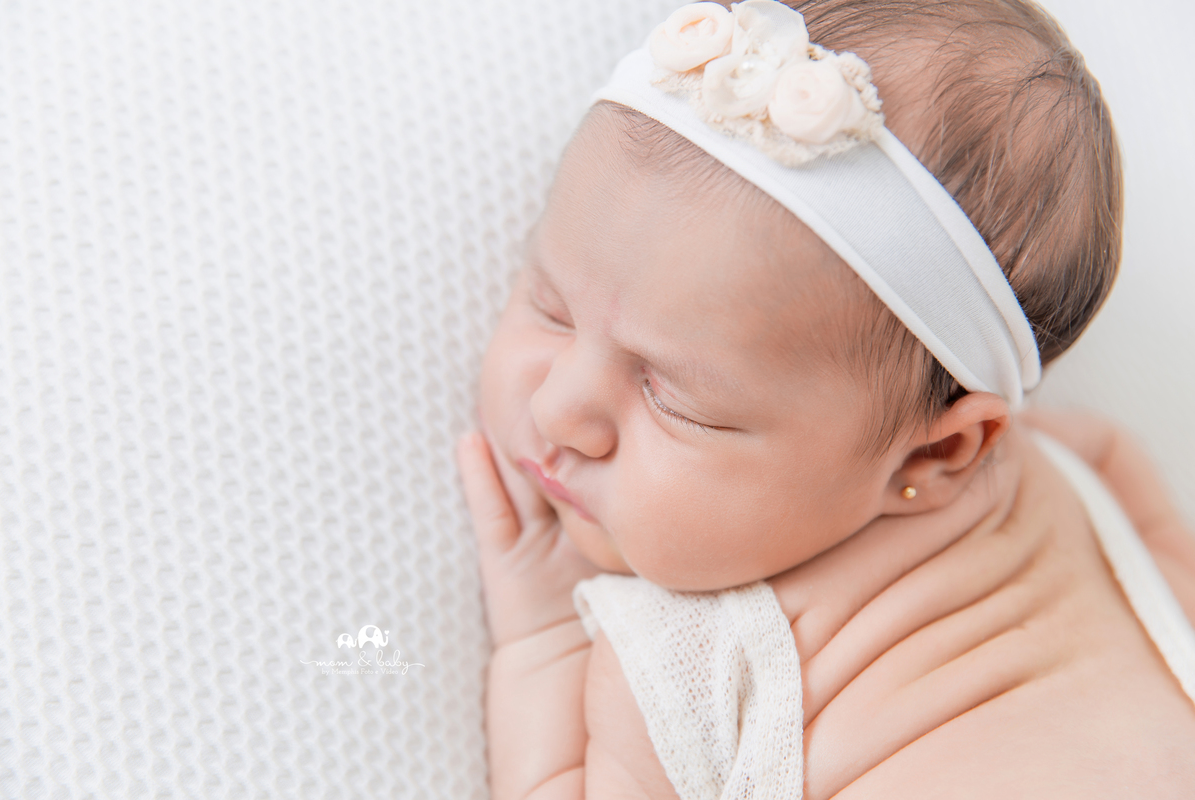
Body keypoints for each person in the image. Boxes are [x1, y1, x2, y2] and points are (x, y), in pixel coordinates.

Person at [455, 1, 1195, 796]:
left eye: (678, 401)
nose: (559, 409)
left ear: (940, 449)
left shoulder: (685, 659)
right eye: (550, 305)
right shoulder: (1079, 469)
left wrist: (541, 637)